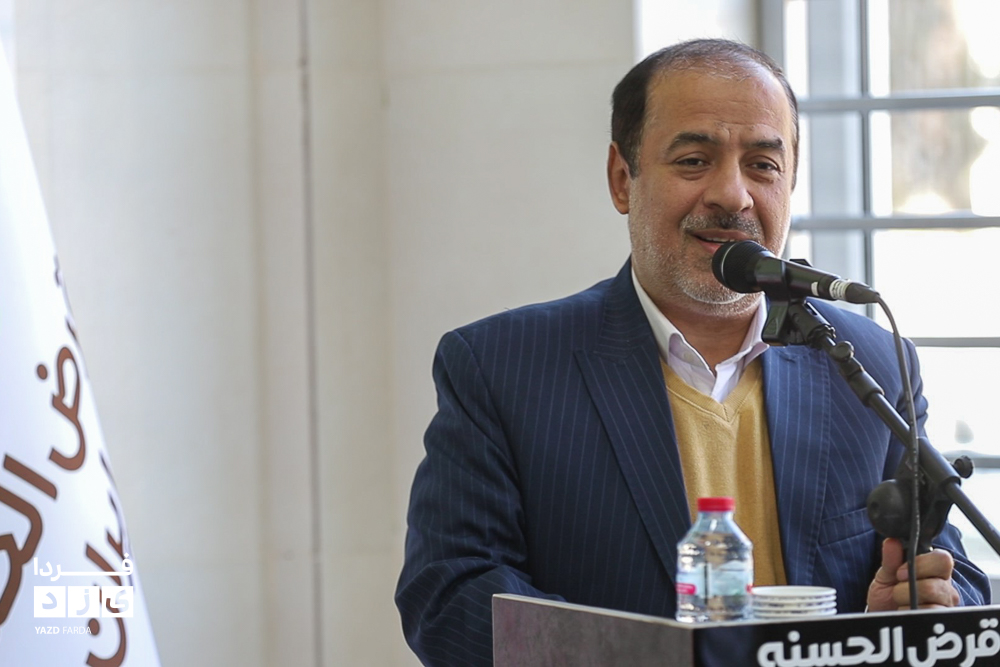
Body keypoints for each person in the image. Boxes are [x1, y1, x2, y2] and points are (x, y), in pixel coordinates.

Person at [395, 38, 991, 666]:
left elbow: (955, 575)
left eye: (762, 165)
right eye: (694, 160)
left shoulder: (869, 362)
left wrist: (910, 613)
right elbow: (450, 596)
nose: (732, 195)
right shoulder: (501, 366)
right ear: (623, 179)